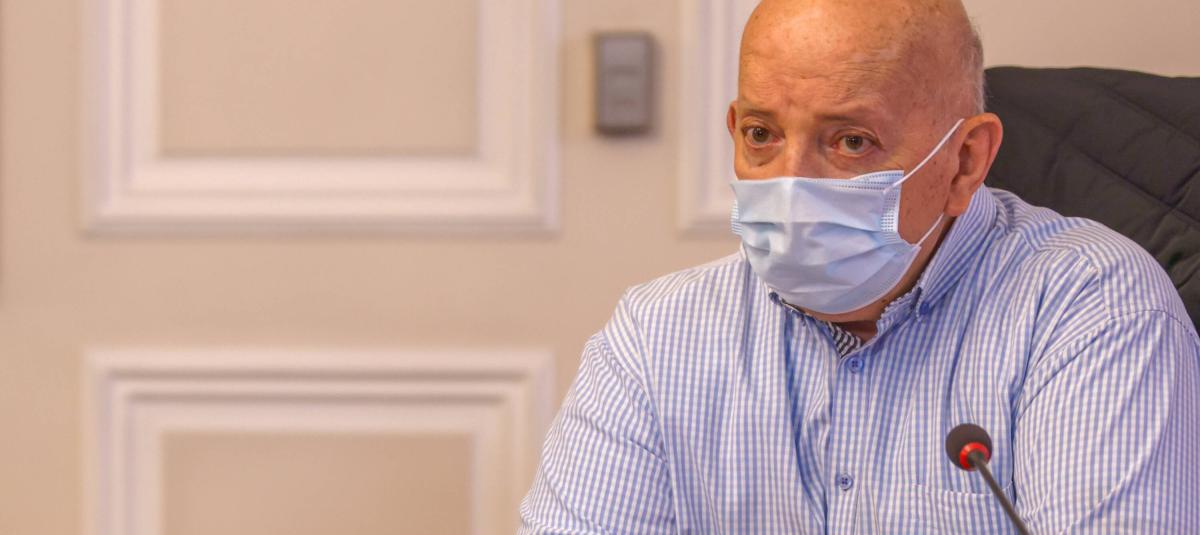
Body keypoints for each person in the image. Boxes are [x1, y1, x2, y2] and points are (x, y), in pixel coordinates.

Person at [519, 0, 1200, 532]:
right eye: (761, 134)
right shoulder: (657, 336)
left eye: (850, 141)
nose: (790, 182)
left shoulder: (1094, 310)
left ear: (966, 161)